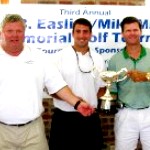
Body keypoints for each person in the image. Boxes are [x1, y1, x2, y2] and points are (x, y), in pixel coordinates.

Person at [0, 14, 95, 150]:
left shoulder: (39, 57)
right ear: (1, 33)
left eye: (19, 31)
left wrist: (78, 104)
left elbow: (57, 85)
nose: (14, 35)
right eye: (9, 31)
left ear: (24, 33)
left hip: (33, 131)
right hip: (1, 131)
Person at [48, 18, 106, 150]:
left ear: (90, 34)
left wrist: (89, 101)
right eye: (78, 31)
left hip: (90, 118)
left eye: (85, 32)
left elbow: (102, 88)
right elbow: (52, 89)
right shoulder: (59, 57)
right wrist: (75, 102)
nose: (81, 35)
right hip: (64, 118)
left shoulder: (98, 59)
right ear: (72, 34)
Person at [108, 16, 150, 150]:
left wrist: (146, 76)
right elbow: (112, 90)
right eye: (128, 30)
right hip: (125, 114)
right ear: (122, 34)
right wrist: (105, 99)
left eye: (135, 30)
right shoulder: (115, 60)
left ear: (141, 32)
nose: (132, 33)